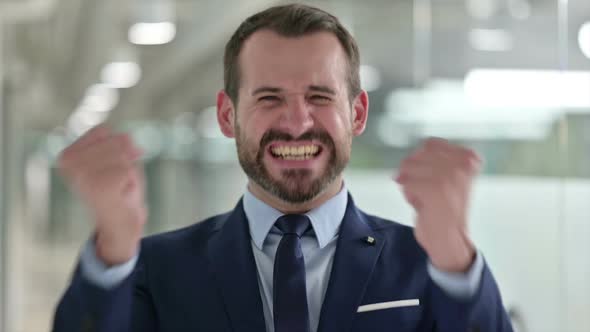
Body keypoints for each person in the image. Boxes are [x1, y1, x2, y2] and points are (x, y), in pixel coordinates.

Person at [52, 4, 513, 332]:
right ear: (228, 115)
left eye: (319, 97)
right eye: (270, 98)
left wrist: (456, 260)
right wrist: (112, 248)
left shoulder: (427, 265)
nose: (296, 123)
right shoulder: (158, 270)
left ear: (357, 113)